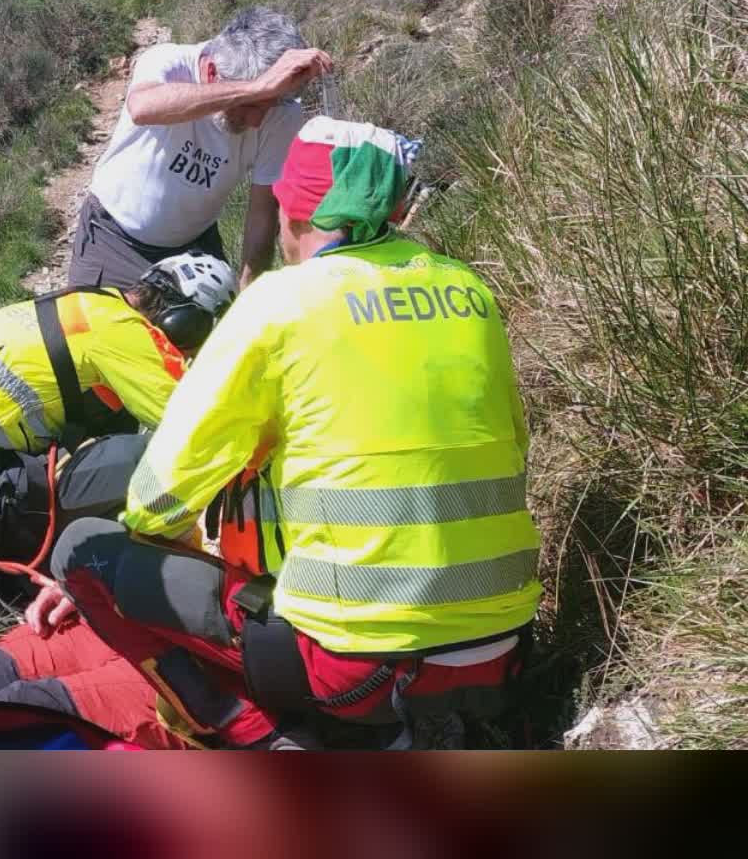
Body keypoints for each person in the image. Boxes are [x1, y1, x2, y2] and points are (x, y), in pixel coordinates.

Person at [51, 115, 541, 749]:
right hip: (500, 655)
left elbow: (158, 498)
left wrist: (181, 551)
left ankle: (276, 740)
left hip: (357, 674)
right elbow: (513, 446)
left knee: (84, 551)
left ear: (296, 213)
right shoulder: (469, 290)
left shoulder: (280, 304)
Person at [0, 252, 237, 623]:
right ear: (186, 322)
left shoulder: (89, 306)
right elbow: (195, 425)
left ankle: (9, 577)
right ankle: (29, 585)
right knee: (150, 457)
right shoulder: (119, 330)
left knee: (110, 426)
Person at [69, 6, 332, 293]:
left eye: (267, 108)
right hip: (113, 240)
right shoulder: (169, 61)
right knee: (99, 335)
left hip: (195, 250)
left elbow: (262, 213)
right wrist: (256, 88)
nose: (257, 121)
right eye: (250, 107)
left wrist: (248, 296)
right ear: (210, 72)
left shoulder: (282, 112)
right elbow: (142, 107)